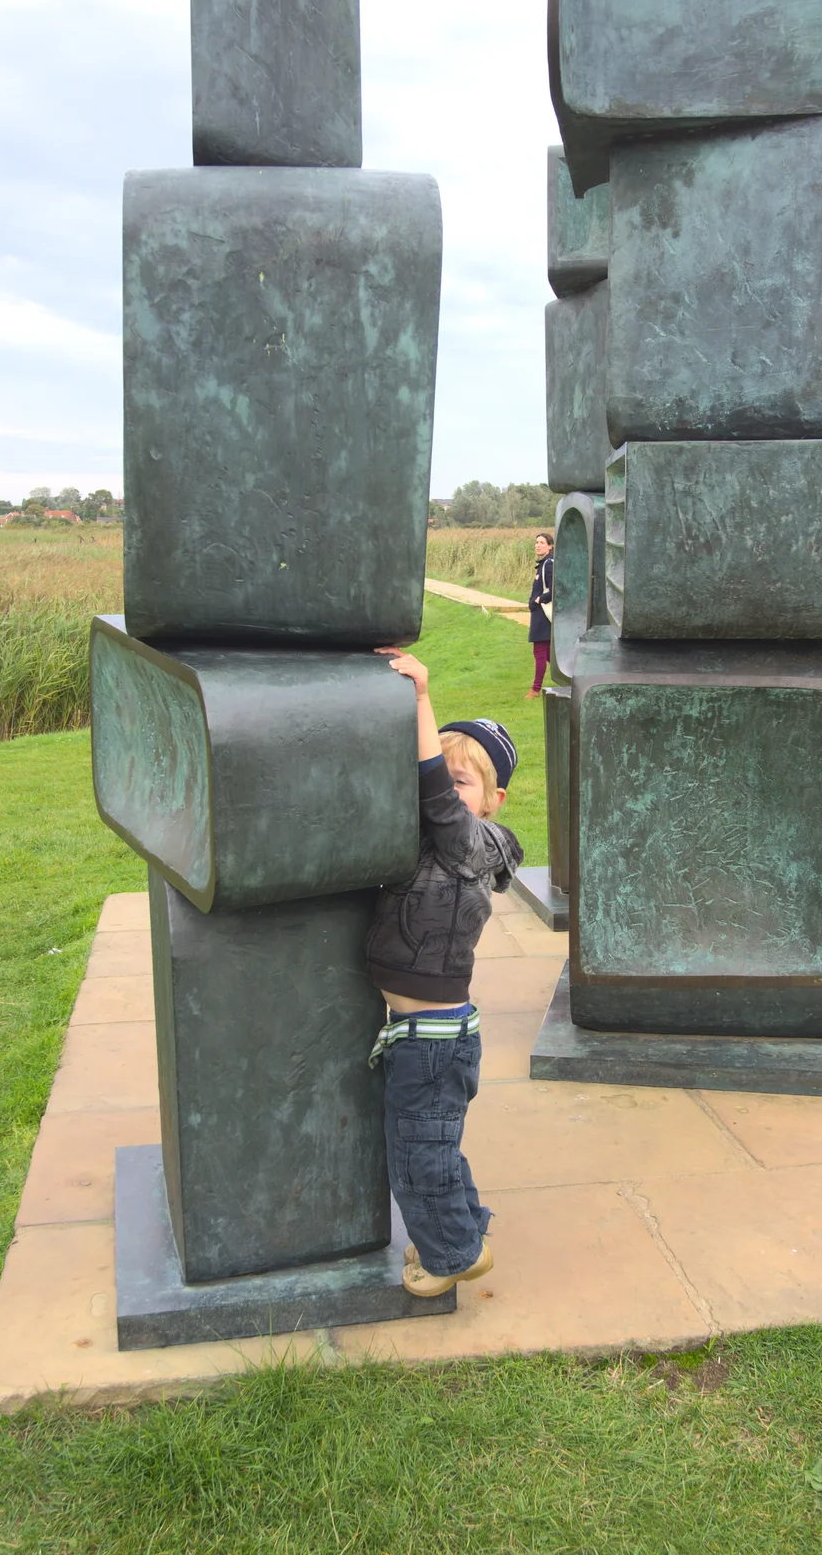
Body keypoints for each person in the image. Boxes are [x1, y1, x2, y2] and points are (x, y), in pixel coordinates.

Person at [367, 647, 524, 1297]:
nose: (445, 788)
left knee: (418, 1160)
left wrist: (421, 698)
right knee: (434, 1147)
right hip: (423, 1037)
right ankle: (469, 1231)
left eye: (465, 782)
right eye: (447, 776)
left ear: (492, 800)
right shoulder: (431, 844)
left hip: (432, 1042)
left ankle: (451, 1255)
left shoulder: (475, 844)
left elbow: (436, 799)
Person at [526, 531, 554, 698]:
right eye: (537, 542)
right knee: (550, 654)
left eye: (542, 542)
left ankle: (535, 689)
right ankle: (572, 680)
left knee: (540, 652)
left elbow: (554, 589)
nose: (538, 545)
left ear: (550, 546)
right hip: (540, 613)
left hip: (543, 614)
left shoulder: (548, 564)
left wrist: (538, 600)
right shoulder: (543, 564)